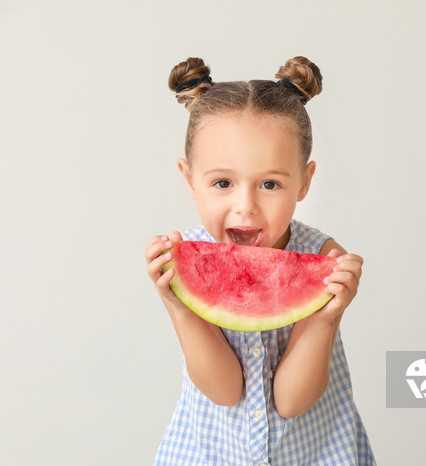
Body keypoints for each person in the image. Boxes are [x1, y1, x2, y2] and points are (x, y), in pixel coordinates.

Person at [145, 56, 376, 465]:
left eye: (270, 183)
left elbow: (291, 402)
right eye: (222, 183)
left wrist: (325, 317)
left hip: (313, 454)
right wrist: (179, 307)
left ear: (304, 181)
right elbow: (225, 392)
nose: (245, 207)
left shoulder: (322, 259)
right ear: (189, 180)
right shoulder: (183, 260)